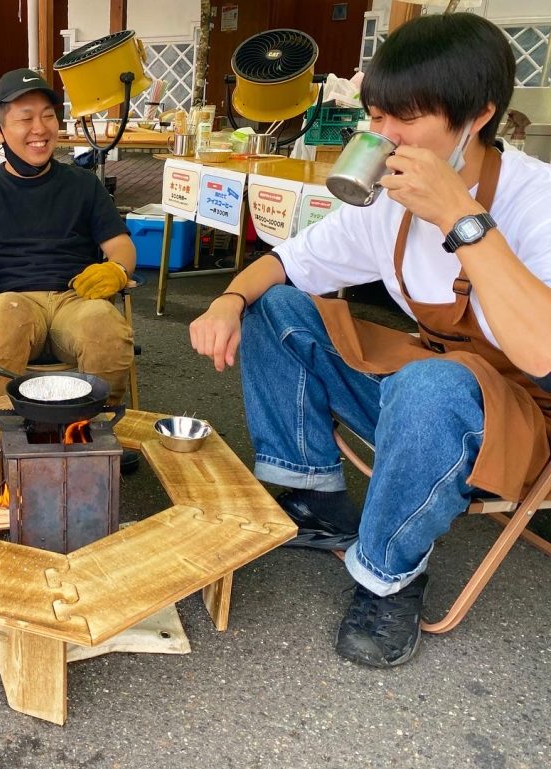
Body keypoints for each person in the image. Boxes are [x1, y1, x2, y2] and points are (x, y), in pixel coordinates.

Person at [189, 13, 551, 667]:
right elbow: (285, 263)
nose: (382, 137)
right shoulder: (386, 202)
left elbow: (543, 352)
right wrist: (226, 299)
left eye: (402, 120)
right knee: (276, 306)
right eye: (376, 116)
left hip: (522, 421)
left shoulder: (538, 200)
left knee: (432, 384)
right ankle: (310, 495)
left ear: (478, 114)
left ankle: (390, 575)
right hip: (425, 392)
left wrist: (461, 216)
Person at [0, 68, 137, 408]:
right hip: (10, 300)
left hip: (76, 300)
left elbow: (120, 246)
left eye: (48, 117)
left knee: (106, 328)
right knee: (4, 321)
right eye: (25, 119)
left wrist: (116, 270)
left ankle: (100, 431)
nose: (39, 129)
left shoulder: (83, 185)